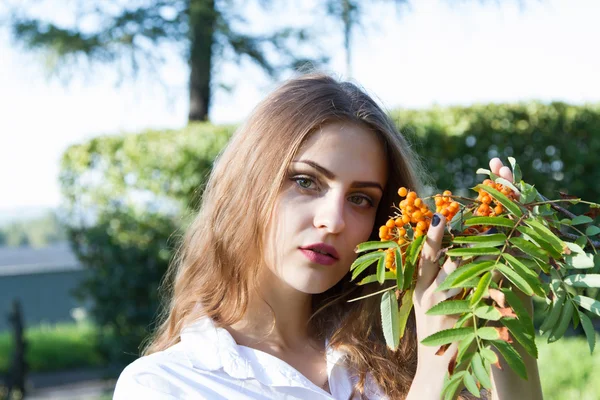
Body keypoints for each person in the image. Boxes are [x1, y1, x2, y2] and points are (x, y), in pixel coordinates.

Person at [113, 73, 543, 399]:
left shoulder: (393, 350)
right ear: (248, 184)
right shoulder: (167, 384)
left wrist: (507, 313)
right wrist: (435, 366)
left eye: (360, 198)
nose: (333, 220)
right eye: (305, 182)